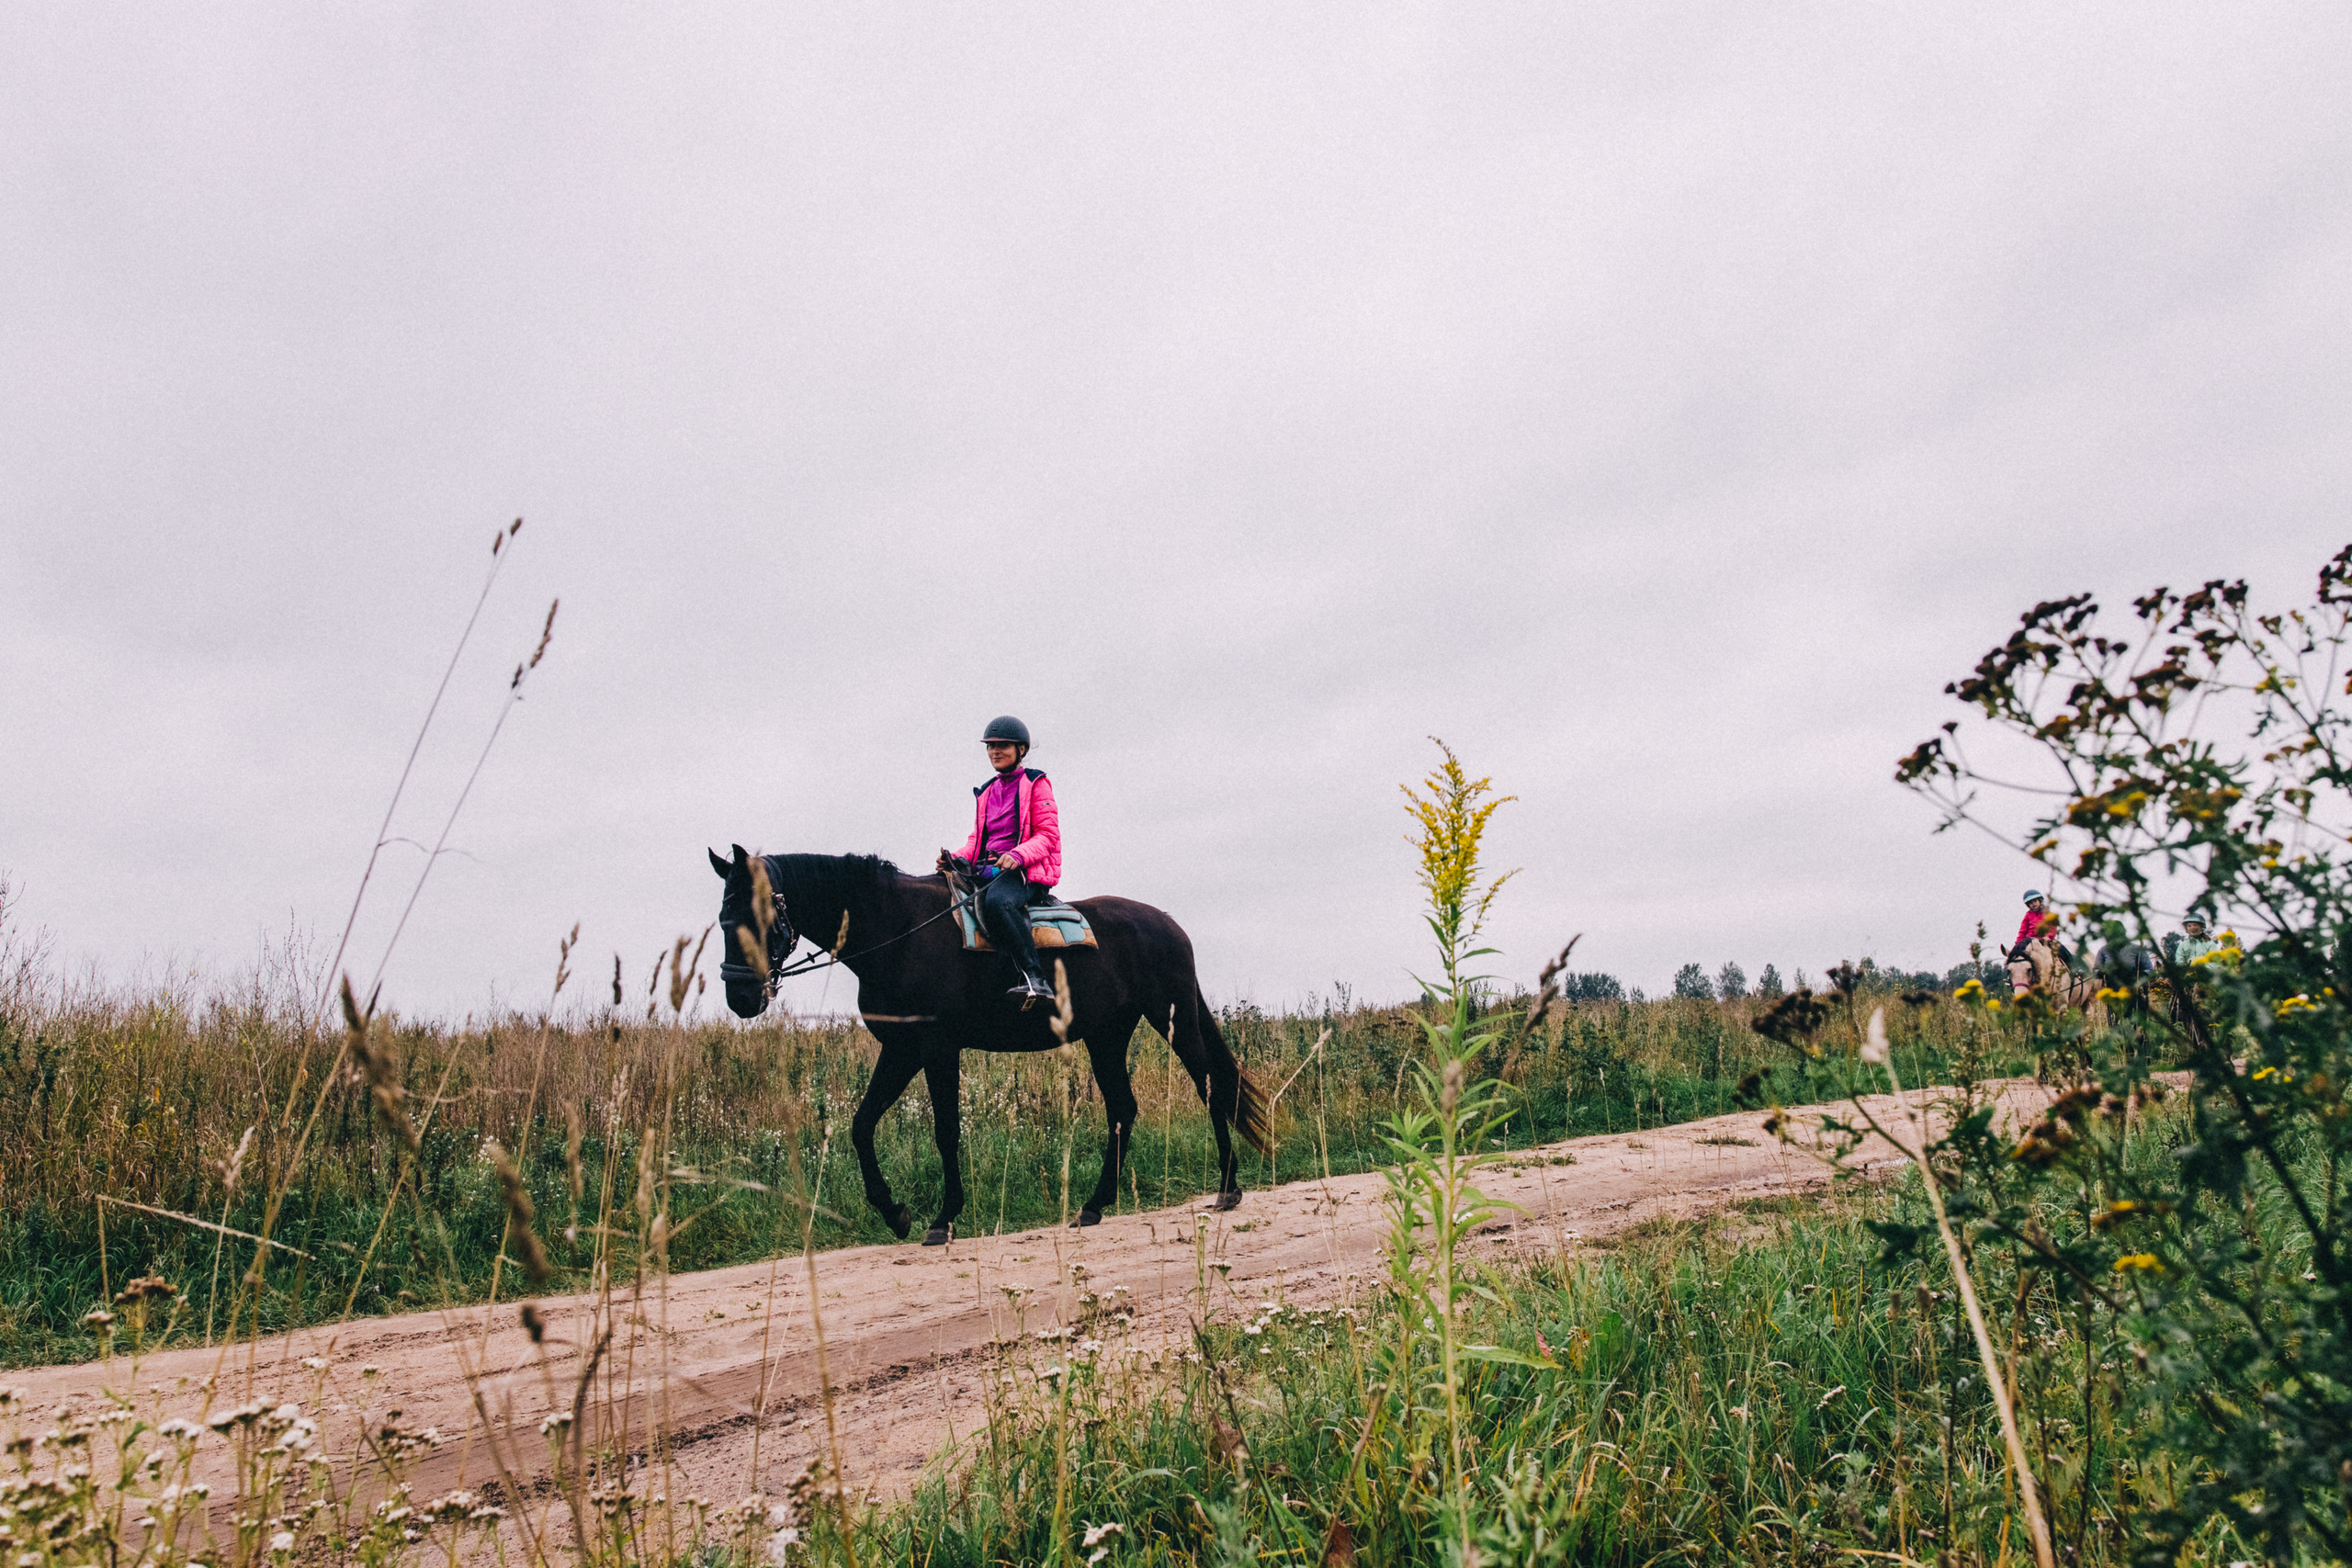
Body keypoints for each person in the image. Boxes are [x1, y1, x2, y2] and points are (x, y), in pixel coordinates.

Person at [956, 715, 1063, 1007]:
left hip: (1025, 873)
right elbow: (977, 840)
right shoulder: (988, 790)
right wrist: (955, 858)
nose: (995, 751)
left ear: (1021, 750)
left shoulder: (1036, 784)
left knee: (997, 903)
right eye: (990, 746)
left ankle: (1035, 978)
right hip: (989, 869)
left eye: (1002, 745)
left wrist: (1017, 856)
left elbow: (1047, 836)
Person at [2007, 889, 2064, 996]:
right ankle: (2014, 980)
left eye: (2035, 901)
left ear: (2040, 900)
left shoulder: (2048, 913)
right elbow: (2022, 931)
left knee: (2062, 949)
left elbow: (2053, 927)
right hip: (2030, 943)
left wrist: (2049, 937)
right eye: (2030, 903)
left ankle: (2073, 968)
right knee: (2017, 960)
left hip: (2046, 941)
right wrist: (2017, 945)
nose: (2033, 904)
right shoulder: (2028, 915)